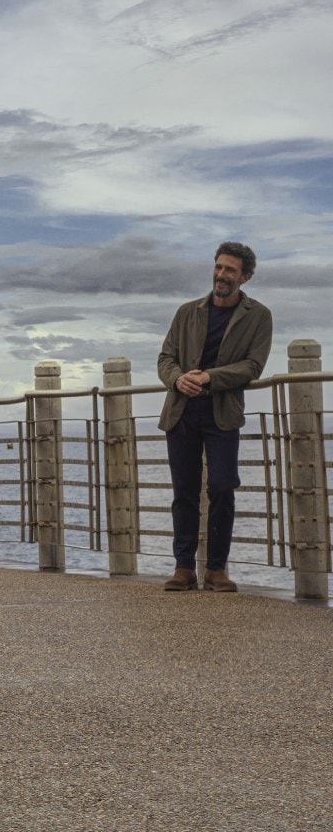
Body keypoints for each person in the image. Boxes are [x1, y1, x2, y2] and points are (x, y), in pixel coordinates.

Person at [154, 242, 272, 594]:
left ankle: (217, 569)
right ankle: (184, 568)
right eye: (219, 267)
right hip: (181, 411)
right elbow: (165, 357)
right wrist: (177, 378)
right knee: (184, 491)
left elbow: (253, 365)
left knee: (222, 486)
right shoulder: (187, 311)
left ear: (245, 277)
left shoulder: (259, 316)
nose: (222, 275)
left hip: (223, 413)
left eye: (230, 270)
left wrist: (209, 377)